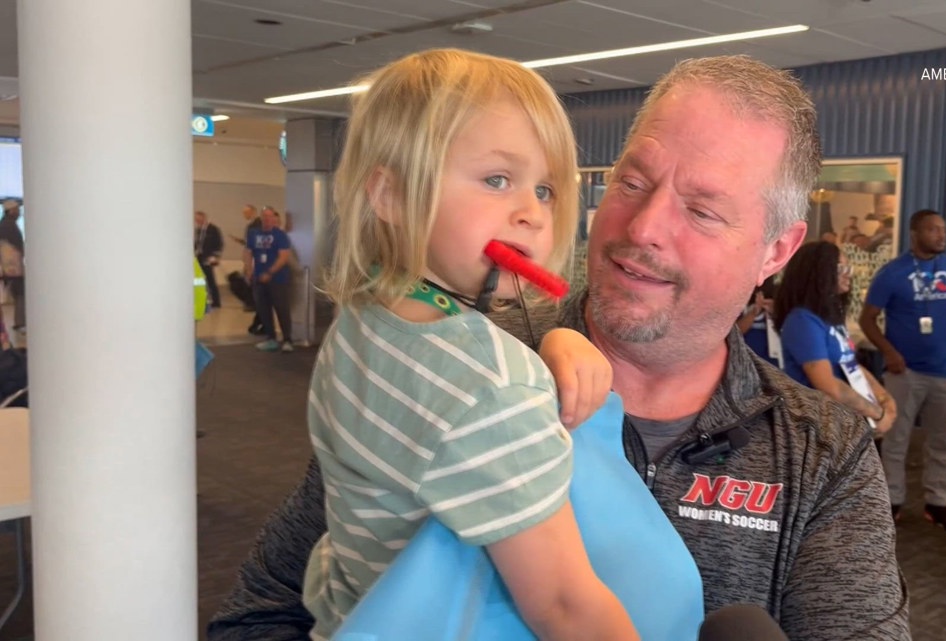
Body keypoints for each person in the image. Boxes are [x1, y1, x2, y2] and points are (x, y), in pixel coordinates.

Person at [208, 54, 910, 641]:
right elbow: (262, 612)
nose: (642, 227)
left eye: (700, 209)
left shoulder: (823, 451)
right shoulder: (446, 366)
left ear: (776, 250)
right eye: (631, 183)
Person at [302, 49, 638, 641]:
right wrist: (520, 379)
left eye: (545, 189)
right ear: (391, 197)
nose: (532, 213)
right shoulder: (492, 386)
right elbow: (565, 606)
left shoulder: (361, 320)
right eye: (497, 180)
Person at [859, 209, 946, 530]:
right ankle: (891, 501)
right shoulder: (892, 273)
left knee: (942, 442)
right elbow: (867, 319)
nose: (941, 235)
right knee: (895, 440)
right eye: (933, 230)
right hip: (904, 373)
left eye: (943, 229)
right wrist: (889, 352)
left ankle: (939, 502)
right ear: (915, 234)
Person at [773, 241, 896, 438]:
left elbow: (851, 365)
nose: (848, 273)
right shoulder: (802, 321)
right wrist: (877, 414)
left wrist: (884, 397)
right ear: (819, 272)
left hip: (842, 426)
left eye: (849, 267)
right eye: (841, 267)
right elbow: (829, 386)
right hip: (816, 431)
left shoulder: (829, 318)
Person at [245, 207, 294, 352]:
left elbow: (283, 257)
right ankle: (271, 338)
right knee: (263, 310)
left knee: (281, 309)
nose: (267, 219)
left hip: (277, 279)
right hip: (258, 279)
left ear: (274, 218)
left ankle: (287, 340)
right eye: (264, 216)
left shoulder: (280, 236)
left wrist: (270, 272)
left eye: (270, 216)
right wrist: (249, 270)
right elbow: (247, 252)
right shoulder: (254, 234)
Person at [735, 278, 778, 366]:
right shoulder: (739, 303)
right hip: (747, 358)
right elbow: (736, 331)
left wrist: (775, 312)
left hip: (773, 359)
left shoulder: (777, 300)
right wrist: (754, 312)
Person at [0, 199, 24, 331]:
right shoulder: (9, 227)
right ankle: (21, 323)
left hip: (9, 268)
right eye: (17, 210)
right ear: (11, 211)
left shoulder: (5, 225)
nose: (19, 212)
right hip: (13, 268)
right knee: (20, 294)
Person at [194, 210, 224, 309]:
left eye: (199, 219)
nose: (197, 221)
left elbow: (219, 243)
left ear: (204, 218)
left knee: (210, 279)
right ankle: (202, 299)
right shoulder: (198, 230)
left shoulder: (213, 229)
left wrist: (215, 256)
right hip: (199, 256)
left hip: (208, 257)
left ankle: (216, 301)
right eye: (196, 219)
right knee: (199, 279)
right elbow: (197, 243)